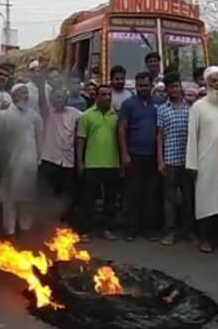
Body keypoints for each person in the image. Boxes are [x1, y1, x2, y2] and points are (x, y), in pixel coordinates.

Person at [185, 66, 218, 253]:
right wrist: (191, 164)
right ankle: (206, 238)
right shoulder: (198, 107)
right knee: (207, 201)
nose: (217, 84)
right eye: (213, 81)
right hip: (205, 162)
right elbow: (192, 136)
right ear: (206, 83)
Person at [0, 83, 43, 240]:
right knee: (10, 199)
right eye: (22, 93)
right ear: (13, 96)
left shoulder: (33, 115)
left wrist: (39, 158)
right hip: (11, 163)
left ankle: (25, 229)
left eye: (27, 93)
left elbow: (40, 138)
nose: (26, 96)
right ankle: (10, 232)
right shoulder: (4, 115)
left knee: (27, 198)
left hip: (31, 164)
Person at [76, 85, 121, 242]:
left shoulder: (117, 115)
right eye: (103, 94)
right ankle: (84, 231)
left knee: (110, 200)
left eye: (109, 94)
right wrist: (80, 162)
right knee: (88, 200)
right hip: (92, 164)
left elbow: (121, 139)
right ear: (96, 97)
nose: (107, 97)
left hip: (113, 164)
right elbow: (80, 140)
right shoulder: (87, 116)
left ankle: (107, 229)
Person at [119, 72, 159, 242]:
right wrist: (124, 154)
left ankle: (149, 229)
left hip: (153, 156)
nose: (143, 88)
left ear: (152, 86)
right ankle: (131, 229)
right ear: (136, 86)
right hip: (134, 156)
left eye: (146, 85)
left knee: (151, 194)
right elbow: (122, 129)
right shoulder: (128, 104)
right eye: (140, 85)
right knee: (133, 194)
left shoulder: (159, 103)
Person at [37, 85, 82, 224]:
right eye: (57, 96)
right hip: (49, 161)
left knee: (67, 196)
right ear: (51, 99)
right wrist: (41, 79)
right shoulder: (47, 112)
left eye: (63, 97)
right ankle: (46, 226)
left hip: (68, 163)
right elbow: (42, 100)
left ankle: (64, 226)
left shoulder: (74, 113)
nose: (60, 99)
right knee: (47, 195)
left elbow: (90, 115)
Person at [156, 72, 192, 246]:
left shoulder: (190, 108)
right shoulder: (162, 110)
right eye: (171, 87)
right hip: (170, 160)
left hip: (188, 160)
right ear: (167, 90)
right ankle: (170, 231)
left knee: (188, 198)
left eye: (177, 86)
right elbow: (160, 137)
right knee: (169, 199)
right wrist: (160, 160)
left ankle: (188, 231)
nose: (174, 89)